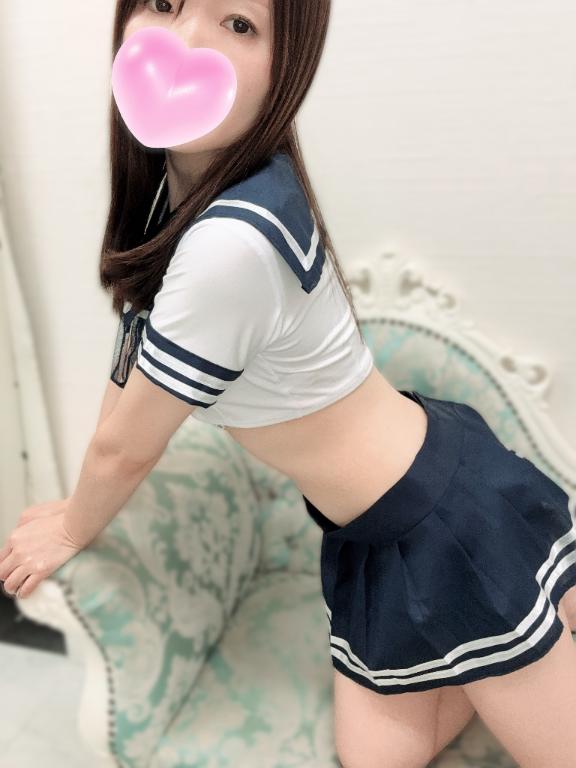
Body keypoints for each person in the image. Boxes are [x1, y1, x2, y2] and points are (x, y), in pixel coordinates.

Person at [4, 1, 576, 766]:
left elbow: (126, 448)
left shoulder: (230, 247)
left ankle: (515, 634)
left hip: (444, 524)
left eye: (238, 23)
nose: (186, 42)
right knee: (372, 757)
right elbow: (131, 356)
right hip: (374, 529)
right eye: (166, 2)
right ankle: (503, 645)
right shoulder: (188, 190)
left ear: (287, 68)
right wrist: (81, 508)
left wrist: (76, 525)